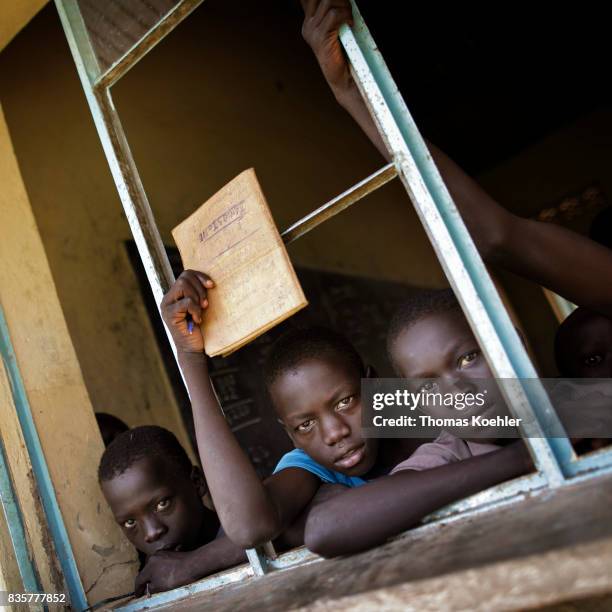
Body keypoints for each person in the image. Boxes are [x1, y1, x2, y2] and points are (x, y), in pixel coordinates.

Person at [99, 425, 246, 594]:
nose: (151, 533)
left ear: (197, 483)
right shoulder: (152, 581)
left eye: (162, 504)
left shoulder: (255, 535)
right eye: (130, 522)